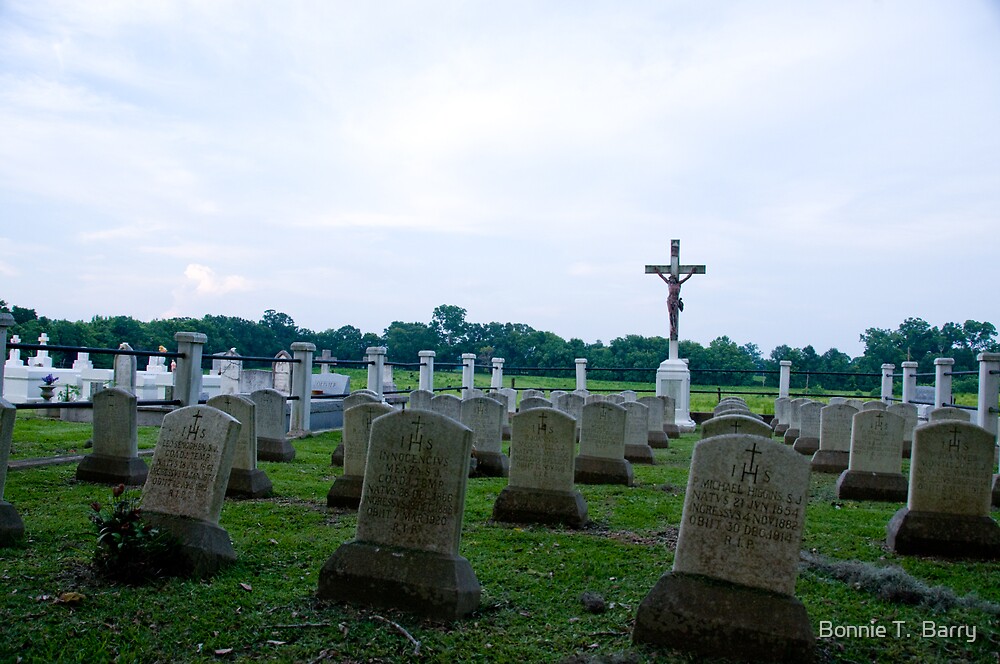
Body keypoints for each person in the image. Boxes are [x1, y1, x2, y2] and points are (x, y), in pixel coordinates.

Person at [655, 267, 696, 340]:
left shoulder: (679, 284)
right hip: (670, 300)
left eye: (672, 279)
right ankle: (672, 329)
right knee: (671, 314)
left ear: (675, 279)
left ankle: (674, 329)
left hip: (675, 300)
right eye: (670, 279)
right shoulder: (668, 284)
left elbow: (687, 278)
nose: (671, 280)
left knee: (675, 315)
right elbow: (662, 277)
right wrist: (658, 271)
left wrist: (691, 272)